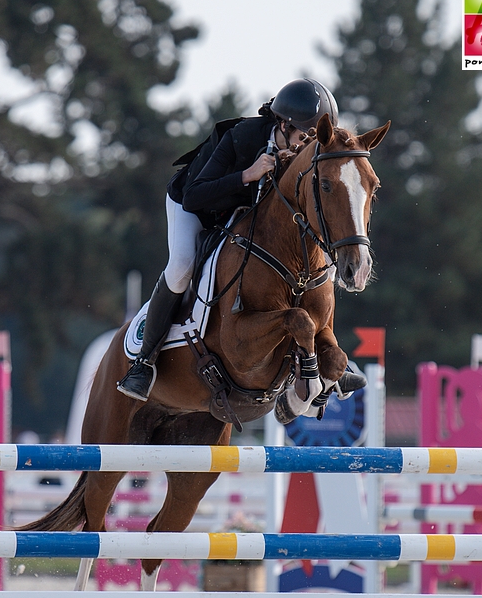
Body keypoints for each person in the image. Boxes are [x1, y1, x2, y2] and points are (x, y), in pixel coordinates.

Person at [117, 78, 364, 402]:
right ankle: (144, 362)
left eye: (314, 140)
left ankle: (326, 355)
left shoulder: (301, 160)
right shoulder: (241, 138)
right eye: (304, 136)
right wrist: (247, 174)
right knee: (180, 267)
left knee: (323, 265)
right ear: (283, 124)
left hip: (242, 215)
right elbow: (195, 196)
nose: (307, 146)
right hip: (196, 206)